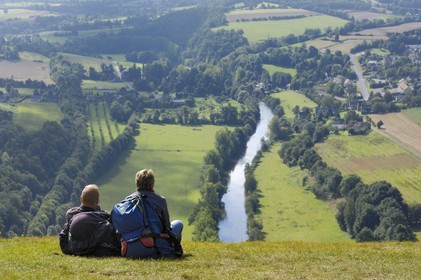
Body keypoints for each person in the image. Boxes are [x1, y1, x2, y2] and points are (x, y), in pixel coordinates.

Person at [115, 168, 183, 259]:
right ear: (152, 183)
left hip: (130, 246)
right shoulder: (160, 200)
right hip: (155, 242)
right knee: (178, 224)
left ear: (137, 182)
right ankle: (173, 248)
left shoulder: (127, 200)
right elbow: (167, 226)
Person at [59, 184, 120, 257]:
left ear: (81, 199)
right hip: (93, 250)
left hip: (72, 249)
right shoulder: (102, 218)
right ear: (97, 201)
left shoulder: (71, 214)